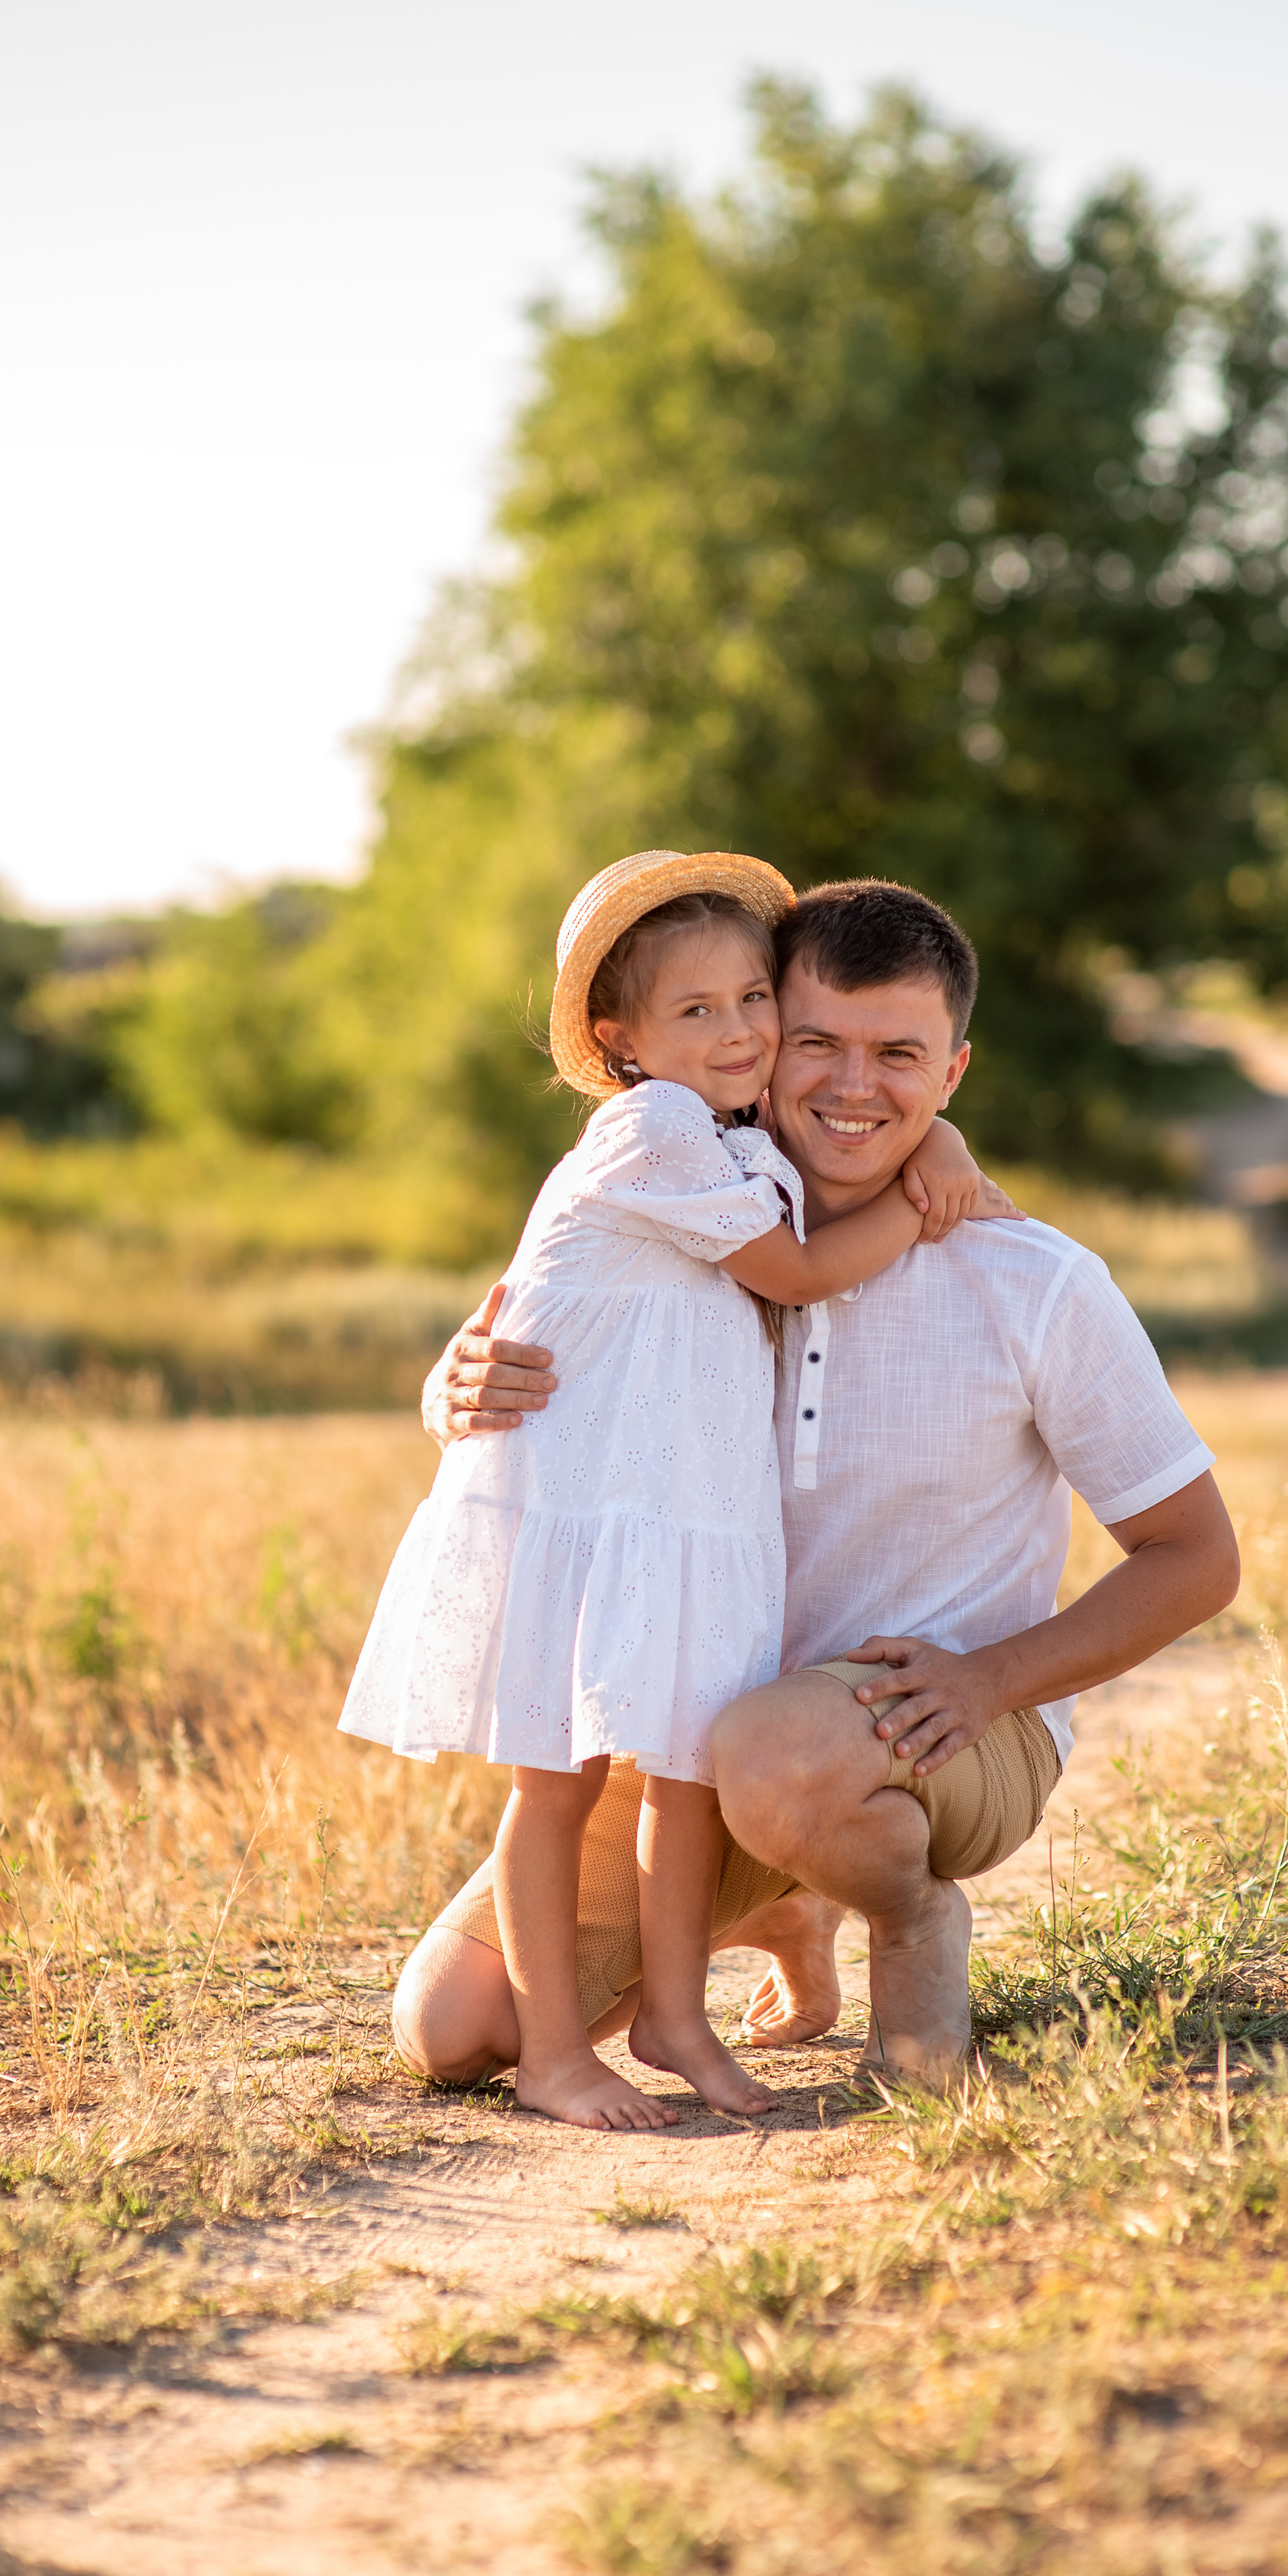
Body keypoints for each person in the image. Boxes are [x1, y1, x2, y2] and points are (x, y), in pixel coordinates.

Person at [396, 876, 1241, 2089]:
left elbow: (1198, 1557)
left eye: (899, 1055)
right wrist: (453, 1386)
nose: (853, 1087)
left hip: (943, 1723)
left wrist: (990, 1678)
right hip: (698, 1736)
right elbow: (547, 1318)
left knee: (779, 1748)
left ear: (954, 1071)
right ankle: (787, 1904)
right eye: (815, 1045)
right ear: (758, 1049)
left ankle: (907, 1914)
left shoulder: (1038, 1280)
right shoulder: (701, 1213)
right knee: (454, 2028)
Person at [341, 851, 1015, 2131]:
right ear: (622, 1040)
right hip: (595, 1515)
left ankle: (677, 2011)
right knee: (556, 1782)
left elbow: (869, 1122)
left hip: (683, 1521)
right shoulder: (652, 1130)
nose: (745, 1032)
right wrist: (939, 1197)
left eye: (755, 1000)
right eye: (698, 1012)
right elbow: (795, 1273)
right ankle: (551, 2052)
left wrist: (941, 1136)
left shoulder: (731, 1132)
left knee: (684, 1772)